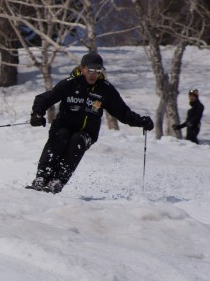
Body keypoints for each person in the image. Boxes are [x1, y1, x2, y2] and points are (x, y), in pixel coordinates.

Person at [27, 52, 154, 193]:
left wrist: (141, 121)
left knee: (77, 141)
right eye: (91, 70)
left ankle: (58, 180)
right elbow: (45, 98)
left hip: (87, 132)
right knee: (60, 136)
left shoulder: (105, 89)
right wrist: (37, 114)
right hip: (63, 126)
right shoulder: (70, 83)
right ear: (82, 69)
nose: (94, 74)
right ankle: (41, 178)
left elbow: (123, 112)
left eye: (98, 70)